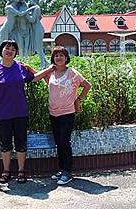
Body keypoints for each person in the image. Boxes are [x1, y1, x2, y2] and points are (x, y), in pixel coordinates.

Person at [27, 46, 91, 185]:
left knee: (64, 142)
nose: (59, 58)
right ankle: (62, 169)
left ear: (67, 58)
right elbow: (38, 78)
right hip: (53, 112)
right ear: (53, 59)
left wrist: (78, 100)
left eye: (61, 55)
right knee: (58, 142)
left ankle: (67, 172)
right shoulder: (52, 74)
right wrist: (30, 68)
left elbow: (87, 85)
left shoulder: (72, 73)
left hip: (67, 113)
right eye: (56, 55)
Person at [0, 40, 35, 184]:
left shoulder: (20, 67)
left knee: (21, 143)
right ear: (1, 50)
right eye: (7, 48)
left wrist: (34, 68)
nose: (10, 51)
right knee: (5, 143)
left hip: (21, 112)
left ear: (16, 53)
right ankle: (6, 170)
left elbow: (35, 78)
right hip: (3, 114)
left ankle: (21, 171)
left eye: (13, 49)